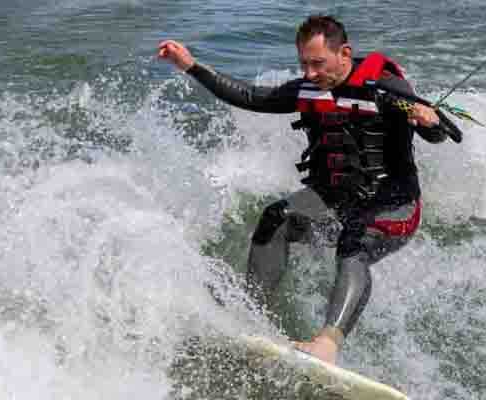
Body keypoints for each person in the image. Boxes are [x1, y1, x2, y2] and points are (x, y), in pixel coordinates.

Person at [159, 15, 452, 364]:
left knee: (353, 245)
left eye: (318, 63)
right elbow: (252, 96)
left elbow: (441, 130)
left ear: (344, 53)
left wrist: (430, 122)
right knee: (275, 218)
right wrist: (191, 66)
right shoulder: (309, 89)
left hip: (394, 205)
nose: (310, 74)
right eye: (303, 64)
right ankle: (249, 316)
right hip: (336, 199)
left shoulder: (385, 90)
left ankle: (327, 343)